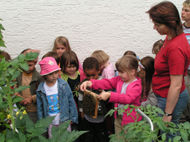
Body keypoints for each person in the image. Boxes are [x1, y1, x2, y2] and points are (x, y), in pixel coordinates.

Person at [147, 1, 190, 123]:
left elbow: (176, 85)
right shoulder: (171, 36)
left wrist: (168, 113)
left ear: (170, 23)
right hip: (164, 96)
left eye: (158, 25)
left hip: (170, 100)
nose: (154, 27)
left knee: (170, 134)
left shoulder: (176, 48)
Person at [80, 55, 142, 135]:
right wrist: (91, 83)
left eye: (121, 72)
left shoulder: (136, 85)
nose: (118, 74)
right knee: (119, 137)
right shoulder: (120, 79)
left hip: (131, 120)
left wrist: (110, 95)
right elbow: (107, 83)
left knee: (129, 138)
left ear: (132, 72)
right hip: (119, 116)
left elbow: (128, 98)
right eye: (118, 71)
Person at [36, 57, 78, 138]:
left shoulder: (63, 85)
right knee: (53, 139)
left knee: (66, 138)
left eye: (56, 72)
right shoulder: (41, 89)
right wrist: (41, 123)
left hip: (64, 118)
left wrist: (73, 117)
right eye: (50, 74)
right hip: (50, 121)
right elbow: (40, 107)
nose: (54, 76)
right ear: (45, 75)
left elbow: (70, 100)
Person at [78, 57, 108, 142]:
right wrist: (81, 111)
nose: (91, 78)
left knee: (101, 136)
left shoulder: (104, 83)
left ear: (99, 71)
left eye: (93, 75)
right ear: (84, 73)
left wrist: (104, 92)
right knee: (89, 136)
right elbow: (80, 98)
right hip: (88, 117)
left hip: (101, 117)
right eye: (88, 75)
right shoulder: (83, 84)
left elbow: (109, 98)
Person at [16, 49, 42, 123]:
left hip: (33, 109)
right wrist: (18, 97)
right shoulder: (17, 75)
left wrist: (32, 98)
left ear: (35, 63)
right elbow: (14, 88)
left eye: (30, 65)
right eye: (25, 65)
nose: (27, 67)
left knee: (33, 125)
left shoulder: (38, 77)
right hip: (20, 108)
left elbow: (42, 92)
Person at [181, 0, 190, 122]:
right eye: (182, 9)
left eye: (186, 10)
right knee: (184, 98)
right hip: (184, 70)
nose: (182, 12)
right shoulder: (179, 29)